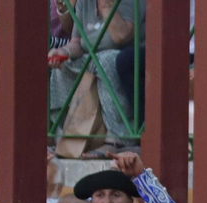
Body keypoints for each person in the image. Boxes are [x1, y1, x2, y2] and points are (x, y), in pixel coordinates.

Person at [50, 0, 145, 153]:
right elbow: (77, 43)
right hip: (92, 57)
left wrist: (105, 6)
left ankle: (118, 140)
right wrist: (64, 52)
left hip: (124, 56)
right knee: (61, 67)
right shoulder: (84, 2)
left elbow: (121, 36)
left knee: (106, 61)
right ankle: (68, 134)